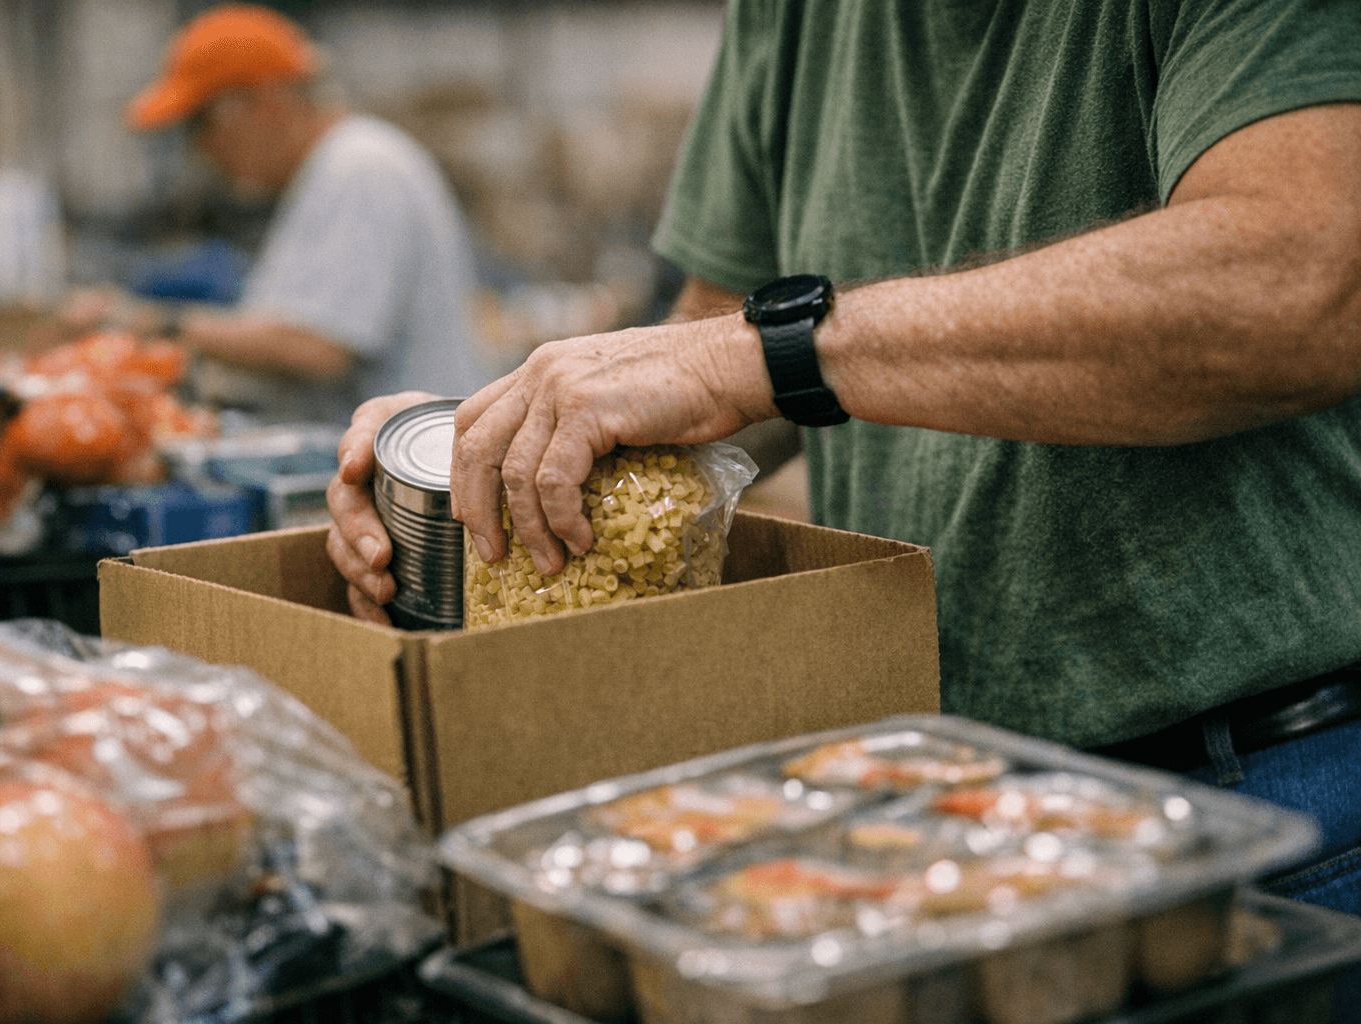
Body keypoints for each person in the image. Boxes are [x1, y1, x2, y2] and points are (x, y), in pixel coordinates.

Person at [329, 0, 1361, 998]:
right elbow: (696, 359)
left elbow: (1304, 278)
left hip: (1247, 799)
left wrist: (773, 350)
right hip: (905, 794)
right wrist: (498, 438)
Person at [69, 3, 489, 424]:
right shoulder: (328, 171)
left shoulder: (360, 166)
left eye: (201, 124)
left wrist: (148, 322)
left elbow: (319, 346)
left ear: (262, 104)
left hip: (402, 471)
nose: (200, 151)